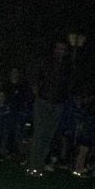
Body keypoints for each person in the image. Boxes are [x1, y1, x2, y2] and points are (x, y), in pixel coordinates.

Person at [25, 41, 75, 177]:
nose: (60, 51)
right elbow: (33, 75)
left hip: (58, 104)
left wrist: (65, 97)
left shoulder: (67, 66)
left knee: (48, 135)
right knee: (39, 133)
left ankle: (39, 166)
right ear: (54, 49)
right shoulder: (45, 61)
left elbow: (69, 84)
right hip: (43, 101)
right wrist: (36, 91)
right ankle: (33, 166)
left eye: (63, 49)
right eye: (58, 48)